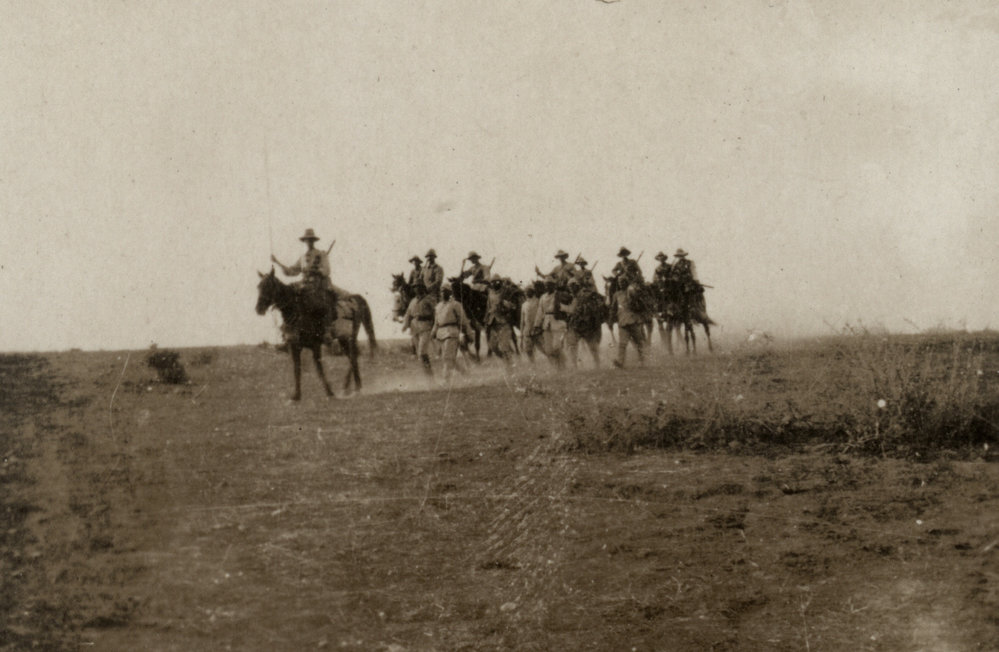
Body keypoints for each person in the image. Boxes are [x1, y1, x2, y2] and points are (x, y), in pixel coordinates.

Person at [271, 228, 348, 324]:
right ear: (304, 241)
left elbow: (327, 270)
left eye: (311, 240)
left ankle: (327, 326)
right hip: (304, 284)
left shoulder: (321, 254)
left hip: (318, 284)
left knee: (325, 303)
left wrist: (317, 270)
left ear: (314, 241)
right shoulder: (302, 258)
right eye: (307, 240)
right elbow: (291, 271)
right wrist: (277, 262)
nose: (309, 242)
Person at [431, 285, 475, 381]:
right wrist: (433, 332)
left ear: (449, 293)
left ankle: (446, 379)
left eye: (445, 291)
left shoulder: (456, 305)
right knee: (448, 358)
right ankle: (466, 374)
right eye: (441, 291)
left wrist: (469, 334)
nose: (443, 293)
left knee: (447, 357)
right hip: (440, 333)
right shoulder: (438, 307)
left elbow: (463, 320)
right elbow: (436, 322)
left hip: (451, 332)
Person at [401, 283, 436, 377]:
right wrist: (405, 325)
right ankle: (427, 375)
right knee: (420, 354)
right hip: (415, 328)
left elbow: (435, 312)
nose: (416, 289)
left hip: (426, 327)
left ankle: (430, 376)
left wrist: (435, 326)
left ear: (422, 288)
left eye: (418, 287)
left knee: (422, 352)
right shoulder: (413, 301)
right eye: (415, 287)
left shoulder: (429, 299)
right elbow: (408, 313)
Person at [533, 276, 568, 368]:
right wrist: (537, 325)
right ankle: (557, 367)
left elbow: (567, 305)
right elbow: (540, 312)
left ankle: (564, 364)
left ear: (554, 286)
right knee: (548, 350)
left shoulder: (559, 295)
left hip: (558, 322)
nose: (548, 287)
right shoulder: (543, 297)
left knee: (557, 347)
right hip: (546, 323)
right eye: (546, 285)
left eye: (550, 285)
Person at [611, 276, 646, 368]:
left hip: (634, 321)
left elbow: (640, 304)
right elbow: (613, 308)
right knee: (622, 343)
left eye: (623, 281)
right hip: (622, 321)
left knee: (639, 342)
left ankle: (642, 361)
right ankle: (620, 362)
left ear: (626, 282)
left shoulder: (632, 292)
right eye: (619, 282)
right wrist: (611, 319)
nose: (621, 283)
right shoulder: (617, 294)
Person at [484, 274, 517, 365]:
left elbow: (514, 306)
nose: (495, 283)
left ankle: (509, 365)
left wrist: (507, 305)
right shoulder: (490, 293)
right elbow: (488, 307)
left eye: (497, 281)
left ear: (500, 282)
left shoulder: (506, 292)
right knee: (493, 346)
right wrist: (486, 319)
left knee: (504, 346)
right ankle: (507, 361)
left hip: (504, 322)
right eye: (493, 282)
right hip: (493, 322)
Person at [520, 284, 542, 362]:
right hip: (527, 330)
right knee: (528, 350)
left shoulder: (538, 302)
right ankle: (533, 364)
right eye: (526, 292)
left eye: (529, 291)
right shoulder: (524, 305)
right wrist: (522, 333)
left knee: (544, 348)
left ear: (533, 292)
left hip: (537, 329)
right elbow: (522, 321)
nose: (527, 293)